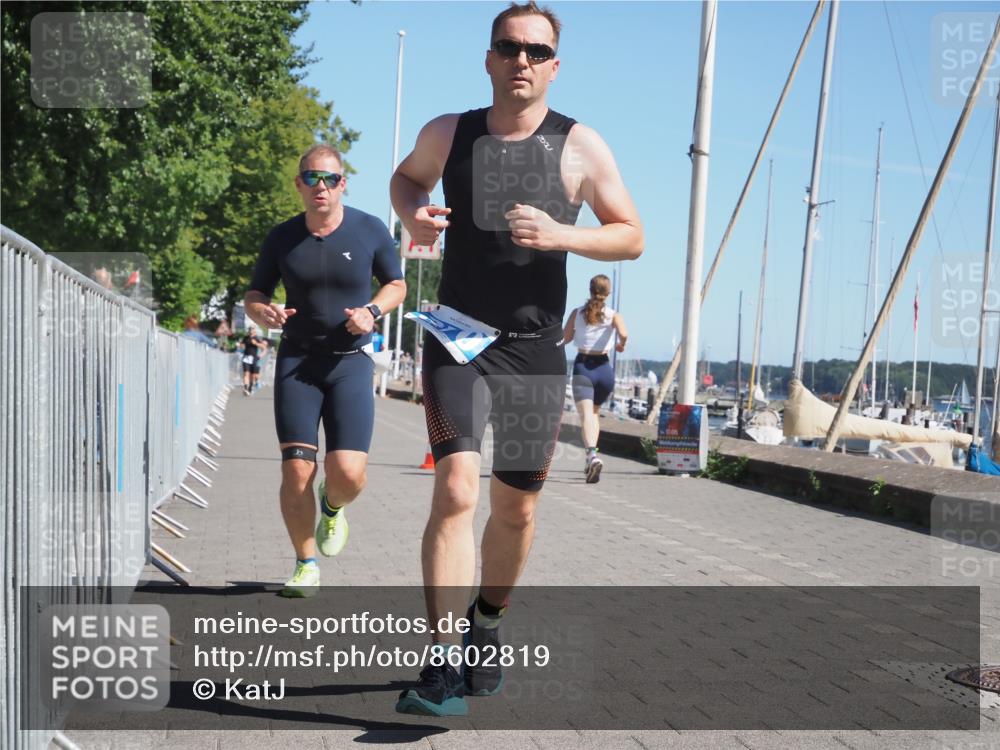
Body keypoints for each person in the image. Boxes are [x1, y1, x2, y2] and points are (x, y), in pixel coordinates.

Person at [390, 1, 642, 716]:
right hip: (457, 337)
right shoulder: (450, 132)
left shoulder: (580, 147)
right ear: (489, 58)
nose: (521, 60)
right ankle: (439, 664)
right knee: (457, 491)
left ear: (554, 65)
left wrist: (565, 236)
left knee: (517, 510)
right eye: (509, 47)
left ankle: (488, 621)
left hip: (534, 352)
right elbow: (406, 179)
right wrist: (413, 213)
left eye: (536, 50)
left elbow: (630, 235)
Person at [244, 143, 406, 597]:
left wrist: (372, 312)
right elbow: (254, 295)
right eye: (312, 178)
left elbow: (397, 284)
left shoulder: (369, 230)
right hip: (298, 363)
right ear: (299, 184)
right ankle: (305, 563)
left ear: (343, 184)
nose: (322, 186)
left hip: (351, 363)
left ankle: (332, 507)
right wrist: (264, 313)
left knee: (348, 473)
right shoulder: (281, 238)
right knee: (296, 470)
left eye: (330, 179)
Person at [561, 274, 628, 484]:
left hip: (584, 367)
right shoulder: (613, 315)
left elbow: (565, 338)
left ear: (590, 290)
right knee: (594, 414)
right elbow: (624, 334)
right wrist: (620, 345)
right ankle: (591, 457)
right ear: (608, 293)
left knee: (586, 416)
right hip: (604, 370)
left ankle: (592, 454)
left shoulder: (577, 313)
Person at [239, 325, 267, 396]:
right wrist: (241, 345)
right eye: (249, 329)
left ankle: (250, 388)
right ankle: (245, 388)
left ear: (254, 330)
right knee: (246, 373)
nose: (251, 330)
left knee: (253, 376)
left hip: (254, 358)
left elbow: (264, 348)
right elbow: (241, 345)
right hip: (246, 358)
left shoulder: (257, 338)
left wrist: (256, 344)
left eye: (252, 329)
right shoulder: (245, 338)